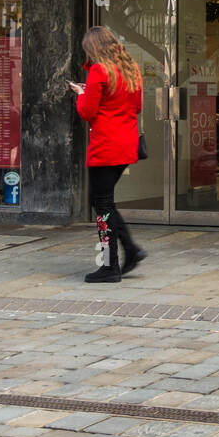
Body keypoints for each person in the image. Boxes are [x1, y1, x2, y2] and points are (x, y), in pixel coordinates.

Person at [71, 26, 146, 283]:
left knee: (101, 206)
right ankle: (131, 250)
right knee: (105, 203)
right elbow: (136, 106)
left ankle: (110, 265)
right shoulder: (131, 69)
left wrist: (82, 94)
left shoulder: (98, 70)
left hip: (105, 146)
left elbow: (87, 112)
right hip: (126, 145)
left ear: (92, 48)